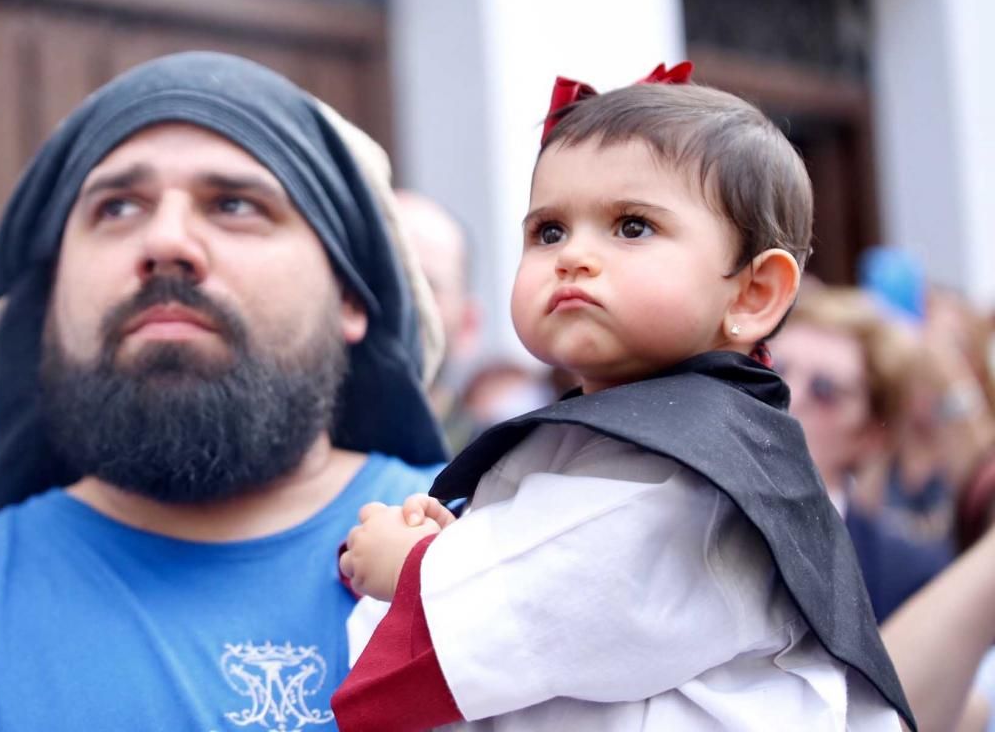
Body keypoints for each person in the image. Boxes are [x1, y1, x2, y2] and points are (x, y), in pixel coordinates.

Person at [0, 52, 448, 730]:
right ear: (47, 306)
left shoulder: (510, 536)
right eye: (117, 207)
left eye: (233, 204)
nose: (165, 240)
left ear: (349, 295)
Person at [333, 66, 913, 730]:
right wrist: (466, 541)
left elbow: (564, 592)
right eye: (549, 231)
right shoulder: (643, 424)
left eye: (632, 227)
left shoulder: (704, 460)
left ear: (752, 294)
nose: (573, 256)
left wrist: (415, 566)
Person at [768, 287, 952, 623]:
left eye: (824, 390)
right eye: (773, 370)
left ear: (871, 434)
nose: (788, 396)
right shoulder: (685, 508)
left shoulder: (910, 577)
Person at [395, 191, 483, 453]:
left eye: (424, 286)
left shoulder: (501, 468)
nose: (397, 300)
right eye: (375, 278)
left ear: (468, 325)